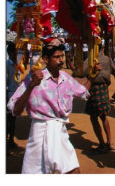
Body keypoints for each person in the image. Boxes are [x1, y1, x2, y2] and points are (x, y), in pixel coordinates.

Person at [7, 39, 92, 174]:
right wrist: (31, 86)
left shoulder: (65, 78)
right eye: (57, 57)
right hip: (39, 132)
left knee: (74, 171)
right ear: (46, 59)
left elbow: (83, 91)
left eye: (62, 56)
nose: (61, 60)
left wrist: (92, 77)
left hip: (59, 130)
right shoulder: (33, 78)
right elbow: (16, 110)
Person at [82, 44, 115, 154]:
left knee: (93, 117)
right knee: (104, 116)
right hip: (104, 88)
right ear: (102, 48)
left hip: (94, 88)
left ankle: (102, 144)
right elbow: (114, 70)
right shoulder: (107, 59)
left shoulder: (90, 60)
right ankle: (110, 142)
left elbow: (81, 72)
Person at [6, 42, 19, 150]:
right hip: (9, 94)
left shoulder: (17, 64)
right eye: (16, 53)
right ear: (10, 53)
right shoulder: (7, 65)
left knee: (13, 120)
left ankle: (11, 140)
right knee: (7, 120)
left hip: (15, 95)